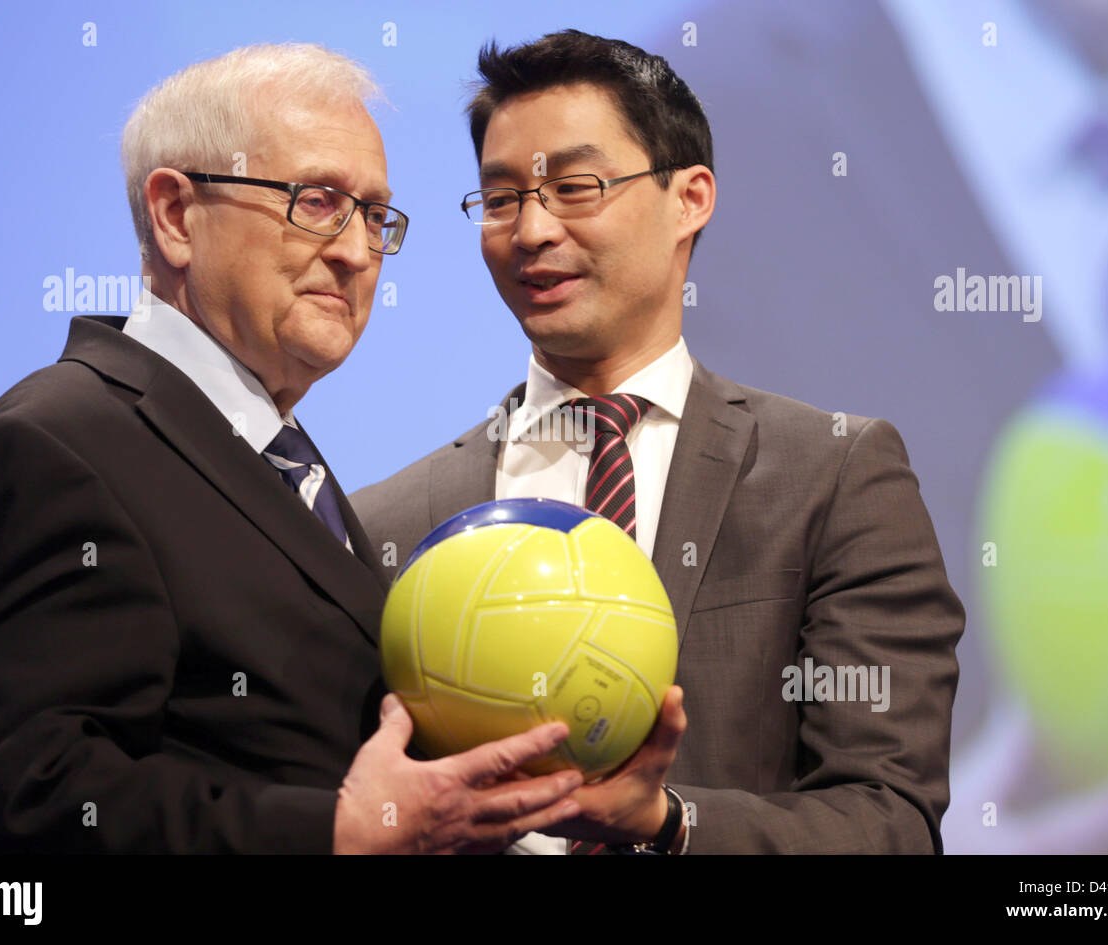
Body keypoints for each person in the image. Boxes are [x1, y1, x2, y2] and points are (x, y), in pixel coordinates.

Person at [0, 42, 585, 854]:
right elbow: (24, 796)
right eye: (315, 200)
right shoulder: (53, 449)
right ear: (174, 215)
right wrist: (336, 832)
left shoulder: (279, 453)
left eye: (374, 215)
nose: (354, 251)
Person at [351, 30, 966, 854]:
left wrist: (669, 822)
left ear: (691, 197)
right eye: (500, 199)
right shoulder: (387, 523)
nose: (531, 230)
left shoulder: (835, 479)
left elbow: (889, 823)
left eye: (575, 186)